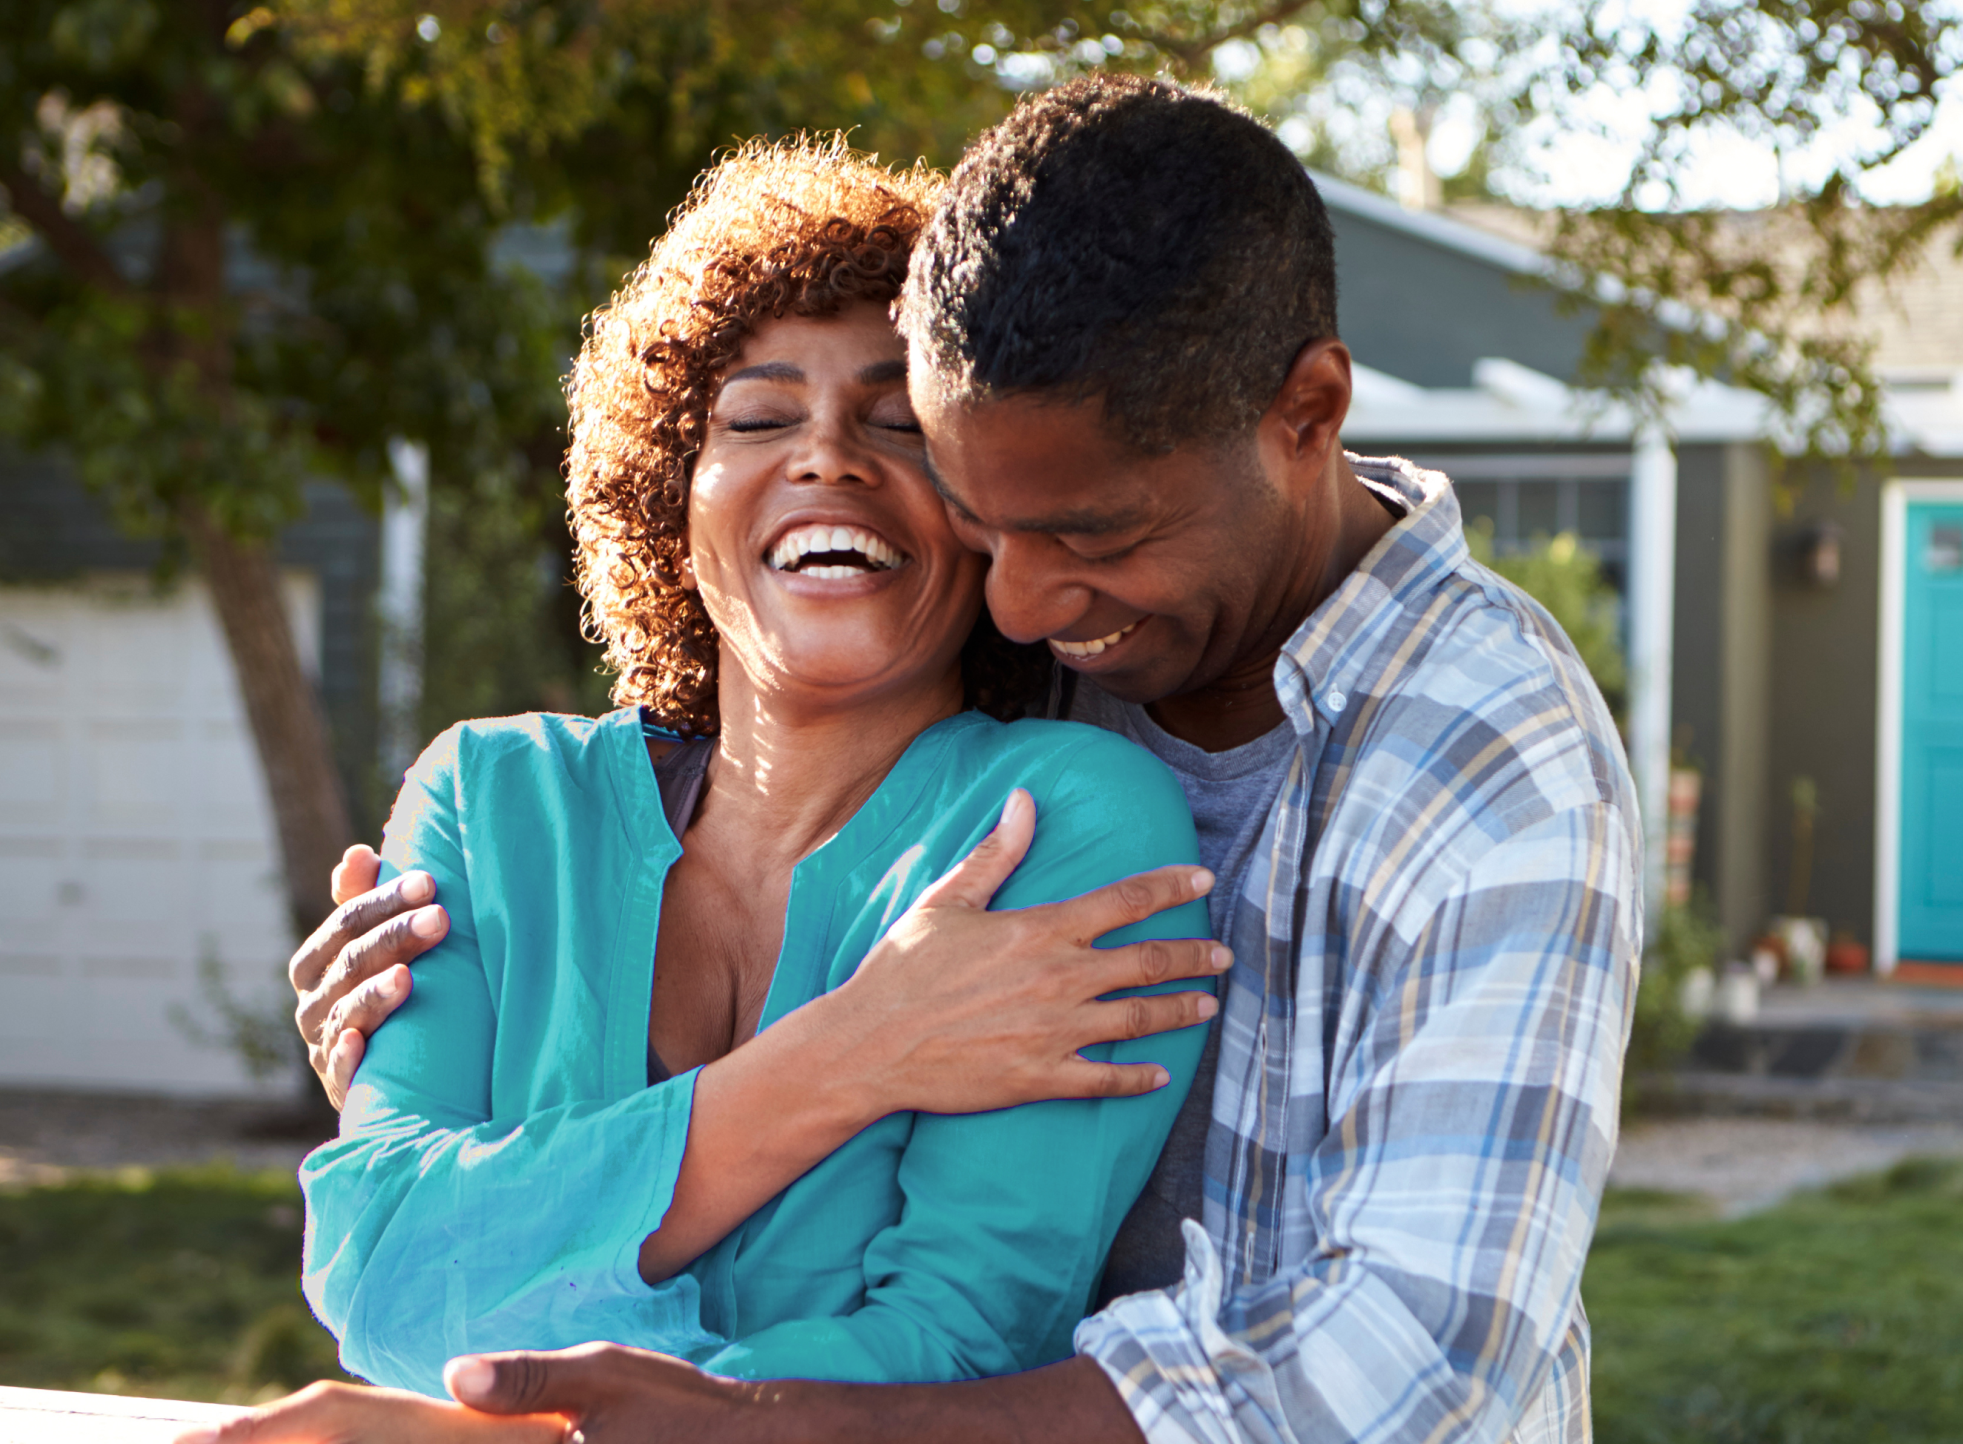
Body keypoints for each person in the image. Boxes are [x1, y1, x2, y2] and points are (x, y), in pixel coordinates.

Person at [201, 72, 1636, 1444]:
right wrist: (855, 1052)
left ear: (1307, 417)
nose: (1024, 599)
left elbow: (1409, 1359)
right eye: (992, 516)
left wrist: (564, 1407)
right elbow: (384, 1262)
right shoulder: (522, 794)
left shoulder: (1478, 762)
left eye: (1085, 533)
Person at [291, 137, 1223, 1414]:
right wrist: (858, 1050)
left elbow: (959, 1358)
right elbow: (380, 1273)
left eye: (903, 424)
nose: (829, 456)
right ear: (669, 497)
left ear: (986, 508)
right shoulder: (489, 800)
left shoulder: (1067, 825)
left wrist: (524, 1396)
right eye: (758, 415)